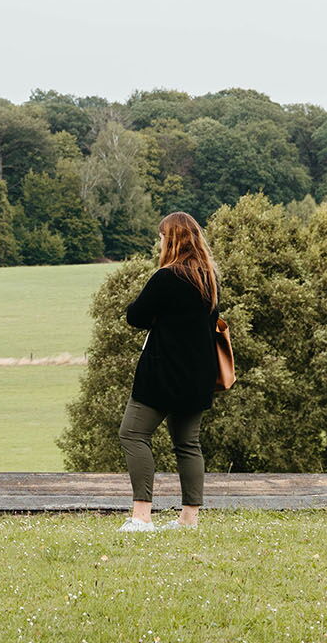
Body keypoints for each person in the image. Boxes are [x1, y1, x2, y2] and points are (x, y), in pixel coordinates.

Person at [117, 210, 222, 533]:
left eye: (161, 236)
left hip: (162, 373)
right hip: (198, 374)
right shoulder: (209, 277)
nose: (159, 241)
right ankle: (189, 519)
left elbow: (135, 315)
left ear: (172, 240)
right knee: (188, 444)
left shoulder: (166, 277)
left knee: (133, 433)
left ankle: (142, 516)